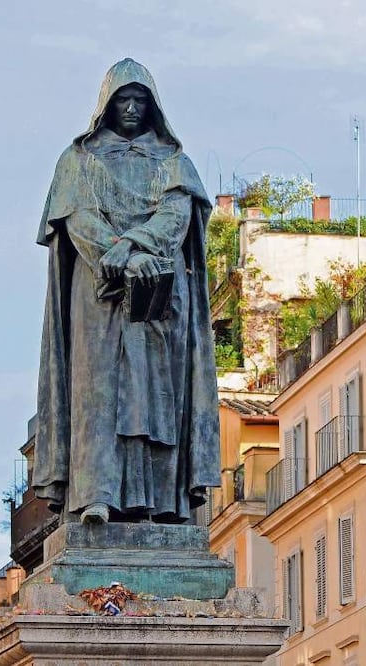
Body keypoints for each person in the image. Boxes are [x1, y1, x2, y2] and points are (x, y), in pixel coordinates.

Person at [33, 58, 220, 525]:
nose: (132, 108)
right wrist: (116, 253)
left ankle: (163, 501)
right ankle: (96, 494)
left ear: (153, 106)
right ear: (106, 105)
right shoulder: (77, 161)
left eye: (140, 100)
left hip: (160, 293)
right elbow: (77, 217)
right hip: (99, 292)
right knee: (97, 391)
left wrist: (136, 246)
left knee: (158, 394)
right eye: (123, 99)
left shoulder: (175, 163)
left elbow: (178, 216)